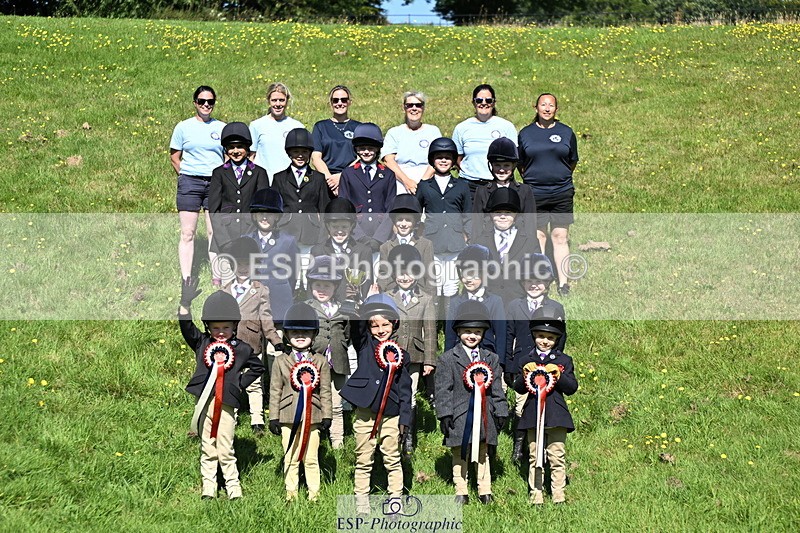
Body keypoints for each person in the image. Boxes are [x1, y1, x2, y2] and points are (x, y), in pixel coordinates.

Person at [179, 287, 264, 500]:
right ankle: (209, 486)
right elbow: (186, 328)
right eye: (215, 328)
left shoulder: (241, 348)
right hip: (204, 402)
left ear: (235, 325)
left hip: (226, 404)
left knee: (225, 447)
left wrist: (239, 384)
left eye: (226, 327)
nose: (220, 332)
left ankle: (233, 486)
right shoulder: (203, 343)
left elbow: (258, 367)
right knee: (208, 446)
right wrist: (185, 305)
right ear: (208, 327)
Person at [339, 294, 412, 514]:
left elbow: (405, 390)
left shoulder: (402, 355)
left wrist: (405, 419)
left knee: (392, 458)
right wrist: (359, 304)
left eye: (385, 324)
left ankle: (395, 501)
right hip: (365, 412)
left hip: (391, 414)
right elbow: (358, 328)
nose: (380, 330)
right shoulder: (364, 345)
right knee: (363, 458)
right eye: (375, 325)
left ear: (394, 324)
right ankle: (362, 503)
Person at [435, 300, 508, 505]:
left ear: (483, 333)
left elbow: (497, 388)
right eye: (467, 331)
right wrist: (444, 414)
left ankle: (485, 490)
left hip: (485, 414)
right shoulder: (448, 359)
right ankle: (461, 490)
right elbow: (443, 389)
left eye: (477, 332)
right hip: (459, 416)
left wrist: (501, 410)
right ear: (458, 332)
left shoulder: (491, 358)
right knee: (460, 452)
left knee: (483, 452)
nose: (472, 336)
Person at [504, 254, 566, 465]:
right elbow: (509, 336)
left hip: (547, 366)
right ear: (522, 282)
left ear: (548, 283)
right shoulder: (514, 306)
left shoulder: (556, 307)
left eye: (539, 281)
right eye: (529, 280)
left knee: (544, 406)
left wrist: (554, 362)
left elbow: (561, 338)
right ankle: (518, 448)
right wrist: (509, 366)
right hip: (523, 365)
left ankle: (544, 446)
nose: (534, 285)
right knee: (521, 406)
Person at [268, 302, 332, 502]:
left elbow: (325, 391)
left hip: (313, 416)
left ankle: (314, 494)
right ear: (287, 335)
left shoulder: (320, 361)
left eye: (305, 332)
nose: (300, 336)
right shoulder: (280, 361)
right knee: (290, 456)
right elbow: (275, 390)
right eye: (295, 332)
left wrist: (327, 415)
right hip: (287, 416)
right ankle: (291, 493)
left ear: (314, 334)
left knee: (311, 458)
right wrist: (273, 417)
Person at [513, 308, 578, 504]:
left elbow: (572, 388)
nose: (545, 341)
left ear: (557, 340)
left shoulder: (564, 360)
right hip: (533, 414)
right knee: (535, 456)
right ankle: (536, 494)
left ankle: (558, 494)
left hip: (556, 415)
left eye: (550, 338)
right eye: (541, 336)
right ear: (534, 335)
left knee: (557, 456)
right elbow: (518, 388)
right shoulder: (526, 360)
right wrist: (524, 375)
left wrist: (559, 375)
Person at [518, 93, 579, 296]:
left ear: (556, 109)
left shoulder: (566, 132)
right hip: (535, 193)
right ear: (535, 108)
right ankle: (541, 281)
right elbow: (521, 163)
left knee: (560, 237)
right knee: (539, 236)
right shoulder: (525, 133)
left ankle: (563, 284)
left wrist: (559, 178)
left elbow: (572, 161)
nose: (546, 108)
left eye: (551, 105)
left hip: (561, 192)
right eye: (543, 105)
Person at [220, 237, 283, 435]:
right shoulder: (225, 290)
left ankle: (257, 419)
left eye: (247, 264)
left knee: (254, 383)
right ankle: (231, 414)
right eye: (239, 263)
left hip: (252, 342)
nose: (243, 268)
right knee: (231, 379)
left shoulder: (261, 289)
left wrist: (275, 339)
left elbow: (266, 317)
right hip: (230, 345)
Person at [384, 244, 437, 455]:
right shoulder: (387, 297)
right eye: (400, 273)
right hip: (390, 354)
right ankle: (390, 433)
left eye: (410, 273)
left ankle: (408, 437)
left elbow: (430, 332)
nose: (405, 278)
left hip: (414, 355)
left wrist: (429, 360)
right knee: (392, 392)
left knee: (411, 394)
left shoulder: (426, 299)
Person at [170, 85, 226, 282]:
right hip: (190, 183)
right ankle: (187, 278)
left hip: (215, 184)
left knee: (214, 231)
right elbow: (175, 157)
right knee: (187, 232)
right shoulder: (183, 127)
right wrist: (187, 176)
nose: (206, 105)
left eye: (210, 101)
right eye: (202, 101)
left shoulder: (221, 127)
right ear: (195, 103)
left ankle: (217, 276)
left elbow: (228, 157)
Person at [244, 188, 300, 378]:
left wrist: (283, 289)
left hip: (278, 301)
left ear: (277, 217)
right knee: (254, 347)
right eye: (260, 213)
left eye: (269, 213)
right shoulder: (246, 240)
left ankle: (277, 387)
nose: (265, 217)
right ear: (254, 215)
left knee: (275, 348)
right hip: (253, 302)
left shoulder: (288, 241)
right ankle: (257, 387)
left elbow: (293, 273)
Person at [304, 255, 353, 450]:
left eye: (327, 285)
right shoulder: (307, 308)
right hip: (315, 364)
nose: (322, 289)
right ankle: (314, 439)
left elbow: (347, 334)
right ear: (311, 285)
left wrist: (338, 347)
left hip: (338, 364)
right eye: (318, 285)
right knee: (314, 400)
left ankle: (337, 441)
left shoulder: (343, 310)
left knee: (336, 404)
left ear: (335, 287)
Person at [415, 137, 472, 303]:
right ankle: (434, 318)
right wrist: (417, 237)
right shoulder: (424, 185)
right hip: (432, 241)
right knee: (434, 283)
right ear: (432, 160)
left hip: (455, 242)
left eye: (447, 158)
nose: (443, 161)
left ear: (453, 161)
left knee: (451, 285)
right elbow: (416, 213)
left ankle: (449, 318)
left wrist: (469, 237)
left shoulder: (462, 185)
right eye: (439, 157)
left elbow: (468, 214)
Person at [208, 122, 269, 258]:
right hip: (225, 234)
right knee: (226, 270)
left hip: (251, 234)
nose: (235, 151)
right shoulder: (219, 173)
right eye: (231, 147)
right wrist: (224, 240)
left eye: (240, 146)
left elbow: (262, 208)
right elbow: (214, 209)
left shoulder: (259, 173)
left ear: (247, 148)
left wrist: (254, 236)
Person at [474, 187, 541, 304]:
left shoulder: (530, 241)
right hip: (488, 302)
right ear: (490, 214)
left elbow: (538, 273)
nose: (503, 216)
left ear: (516, 215)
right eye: (497, 212)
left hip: (519, 301)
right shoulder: (480, 241)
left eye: (508, 213)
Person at [444, 245, 506, 370]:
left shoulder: (495, 301)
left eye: (473, 275)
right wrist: (447, 361)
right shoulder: (456, 302)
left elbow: (501, 335)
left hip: (487, 358)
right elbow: (450, 336)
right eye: (464, 275)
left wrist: (500, 364)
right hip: (460, 358)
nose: (468, 280)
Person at [272, 127, 332, 252]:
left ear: (309, 153)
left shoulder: (318, 178)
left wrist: (322, 238)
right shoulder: (279, 178)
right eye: (296, 151)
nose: (300, 155)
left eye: (304, 152)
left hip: (311, 233)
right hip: (285, 231)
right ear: (289, 153)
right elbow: (274, 210)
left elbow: (324, 209)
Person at [338, 123, 396, 249]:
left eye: (370, 148)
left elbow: (390, 209)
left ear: (377, 149)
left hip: (381, 234)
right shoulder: (348, 173)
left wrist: (379, 238)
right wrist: (359, 236)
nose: (366, 152)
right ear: (356, 149)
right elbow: (344, 207)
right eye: (362, 148)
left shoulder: (388, 174)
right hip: (356, 234)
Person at [452, 84, 517, 195]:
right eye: (479, 100)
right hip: (469, 185)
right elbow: (457, 157)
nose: (484, 103)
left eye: (488, 100)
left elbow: (514, 157)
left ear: (494, 102)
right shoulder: (461, 128)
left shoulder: (506, 126)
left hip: (498, 184)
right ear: (473, 102)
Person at [310, 198, 374, 306]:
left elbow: (367, 285)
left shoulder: (364, 251)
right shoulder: (317, 251)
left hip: (353, 307)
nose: (339, 231)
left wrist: (362, 302)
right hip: (326, 308)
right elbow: (311, 284)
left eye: (344, 227)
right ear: (328, 226)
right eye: (335, 227)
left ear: (352, 226)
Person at [472, 137, 537, 241]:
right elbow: (477, 225)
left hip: (518, 243)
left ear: (513, 166)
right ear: (491, 165)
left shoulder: (525, 190)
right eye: (497, 165)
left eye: (506, 165)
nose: (501, 170)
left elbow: (530, 224)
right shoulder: (482, 191)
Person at [381, 91, 442, 195]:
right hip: (400, 179)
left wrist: (423, 182)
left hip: (428, 178)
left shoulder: (433, 131)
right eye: (410, 105)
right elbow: (388, 160)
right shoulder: (394, 132)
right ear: (404, 108)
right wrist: (406, 181)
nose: (414, 108)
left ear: (423, 108)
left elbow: (438, 158)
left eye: (418, 105)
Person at [378, 194, 435, 296]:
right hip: (394, 296)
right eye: (400, 219)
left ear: (415, 222)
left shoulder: (425, 245)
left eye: (408, 220)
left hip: (419, 296)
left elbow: (430, 277)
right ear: (394, 221)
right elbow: (384, 276)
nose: (403, 224)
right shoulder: (386, 247)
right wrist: (382, 296)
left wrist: (431, 301)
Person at [249, 82, 305, 183]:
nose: (278, 104)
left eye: (281, 100)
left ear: (287, 101)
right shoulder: (256, 125)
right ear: (268, 101)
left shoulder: (297, 126)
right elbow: (251, 156)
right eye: (274, 100)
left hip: (289, 182)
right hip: (264, 181)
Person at [311, 85, 362, 196]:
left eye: (343, 100)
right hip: (327, 181)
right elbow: (316, 158)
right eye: (335, 100)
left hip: (352, 179)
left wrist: (342, 177)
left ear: (349, 102)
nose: (339, 103)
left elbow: (361, 157)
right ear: (331, 103)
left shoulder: (359, 127)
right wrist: (330, 181)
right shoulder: (320, 126)